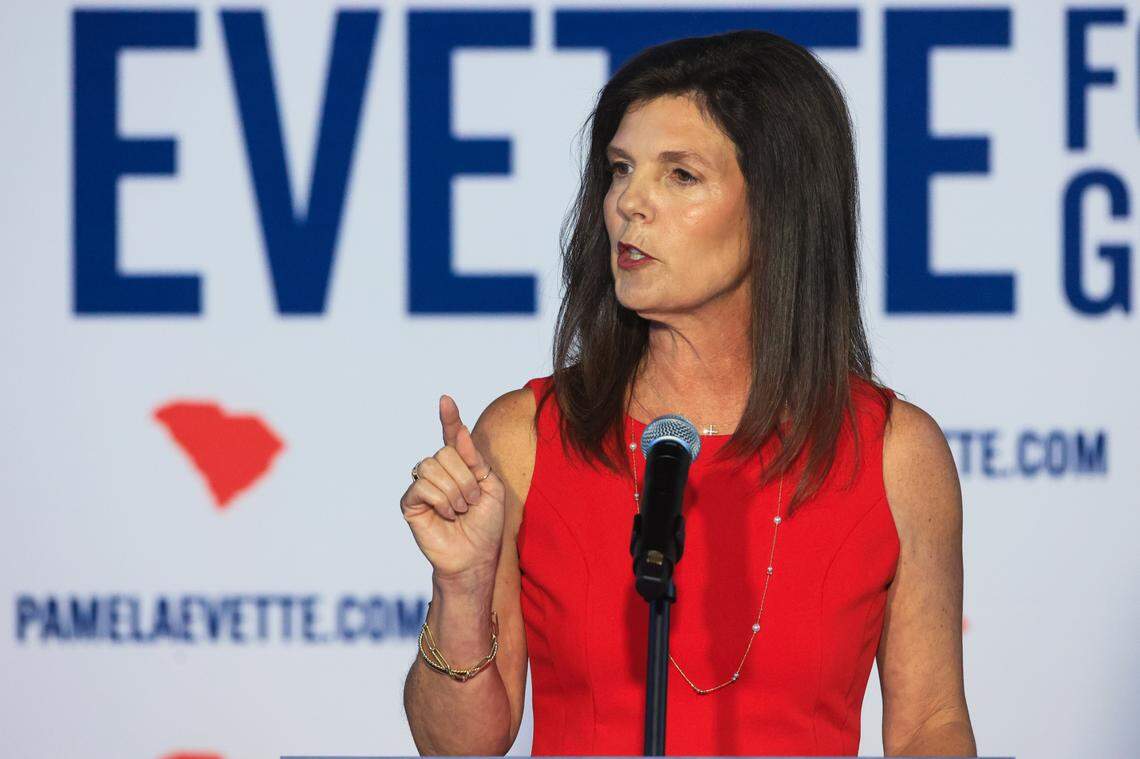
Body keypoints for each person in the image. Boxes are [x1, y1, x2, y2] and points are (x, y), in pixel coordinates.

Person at [400, 29, 975, 757]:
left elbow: (931, 725)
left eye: (679, 175)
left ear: (777, 207)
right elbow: (458, 747)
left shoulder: (894, 453)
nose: (628, 204)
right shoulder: (526, 437)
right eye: (619, 170)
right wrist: (460, 586)